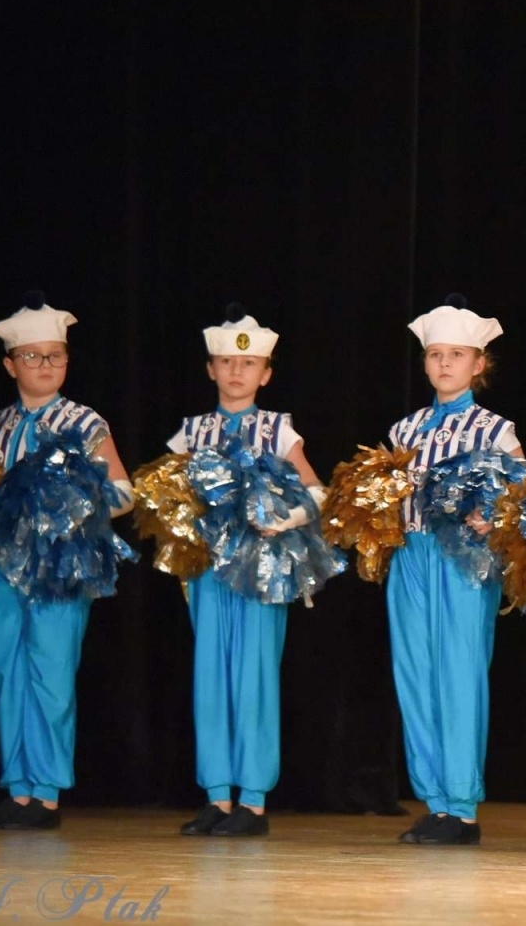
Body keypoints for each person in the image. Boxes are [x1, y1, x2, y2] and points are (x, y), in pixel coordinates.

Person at [168, 305, 339, 838]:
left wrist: (287, 517)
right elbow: (167, 495)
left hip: (264, 570)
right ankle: (217, 795)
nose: (236, 372)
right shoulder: (191, 432)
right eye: (225, 362)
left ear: (265, 374)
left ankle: (254, 800)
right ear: (211, 370)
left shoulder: (277, 430)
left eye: (247, 364)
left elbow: (318, 493)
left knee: (255, 676)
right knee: (210, 678)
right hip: (208, 571)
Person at [0, 291, 134, 831]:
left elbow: (123, 492)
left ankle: (45, 792)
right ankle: (16, 789)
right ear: (10, 364)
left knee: (51, 669)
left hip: (60, 563)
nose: (45, 366)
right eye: (33, 357)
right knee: (6, 668)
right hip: (2, 564)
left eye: (55, 357)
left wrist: (71, 502)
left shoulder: (85, 422)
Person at [388, 295, 524, 846]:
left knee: (460, 673)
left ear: (479, 364)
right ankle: (435, 801)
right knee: (415, 675)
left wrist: (491, 518)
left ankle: (463, 808)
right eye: (436, 354)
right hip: (411, 556)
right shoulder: (404, 431)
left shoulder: (497, 430)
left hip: (464, 561)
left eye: (457, 355)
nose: (444, 364)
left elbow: (522, 498)